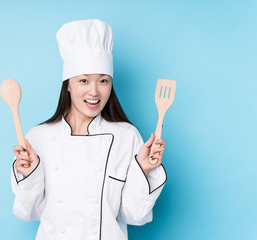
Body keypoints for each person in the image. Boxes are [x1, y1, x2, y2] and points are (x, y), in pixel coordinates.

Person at [10, 19, 167, 240]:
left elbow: (135, 215)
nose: (94, 92)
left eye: (103, 81)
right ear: (68, 84)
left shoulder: (126, 136)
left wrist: (143, 170)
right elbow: (27, 213)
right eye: (84, 80)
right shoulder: (39, 138)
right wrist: (30, 175)